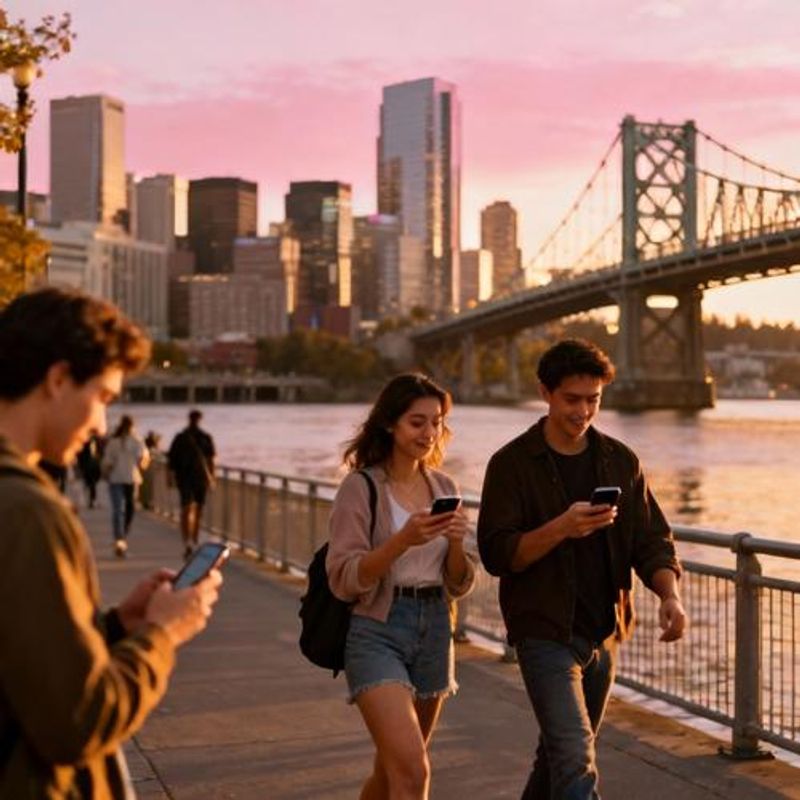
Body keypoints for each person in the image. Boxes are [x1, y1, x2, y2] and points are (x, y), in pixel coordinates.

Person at [0, 287, 222, 799]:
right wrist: (164, 633)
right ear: (57, 380)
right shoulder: (27, 511)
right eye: (101, 397)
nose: (101, 422)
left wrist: (118, 625)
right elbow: (77, 723)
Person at [477, 339, 687, 800]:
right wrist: (561, 528)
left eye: (593, 399)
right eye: (572, 399)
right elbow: (497, 554)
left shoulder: (620, 460)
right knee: (576, 762)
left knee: (556, 760)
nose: (583, 410)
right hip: (544, 633)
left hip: (603, 634)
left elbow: (651, 541)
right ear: (545, 393)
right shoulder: (511, 465)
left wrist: (669, 595)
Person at [326, 373, 477, 800]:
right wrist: (402, 541)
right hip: (376, 630)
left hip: (434, 628)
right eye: (417, 422)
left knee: (393, 771)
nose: (429, 433)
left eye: (437, 422)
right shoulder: (361, 488)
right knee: (413, 772)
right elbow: (344, 577)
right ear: (391, 424)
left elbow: (459, 583)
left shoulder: (445, 487)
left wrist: (453, 543)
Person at [168, 409, 216, 559]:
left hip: (184, 478)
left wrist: (169, 478)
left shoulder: (180, 437)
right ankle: (193, 540)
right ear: (200, 419)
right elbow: (211, 460)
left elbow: (171, 461)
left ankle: (188, 541)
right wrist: (212, 478)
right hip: (199, 479)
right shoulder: (205, 437)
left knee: (186, 509)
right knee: (198, 510)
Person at [102, 414, 150, 557]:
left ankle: (121, 536)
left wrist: (142, 463)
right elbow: (108, 461)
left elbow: (144, 459)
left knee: (128, 509)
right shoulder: (116, 442)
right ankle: (120, 539)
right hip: (120, 479)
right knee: (120, 510)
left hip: (129, 479)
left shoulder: (136, 441)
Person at [76, 429, 104, 508]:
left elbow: (79, 454)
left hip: (91, 465)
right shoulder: (95, 440)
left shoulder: (85, 440)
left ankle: (91, 499)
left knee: (91, 483)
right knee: (92, 483)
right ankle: (91, 500)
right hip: (91, 465)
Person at [139, 430, 161, 510]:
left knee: (145, 487)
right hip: (148, 470)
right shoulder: (151, 451)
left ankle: (145, 502)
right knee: (149, 488)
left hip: (145, 470)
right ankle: (147, 502)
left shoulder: (145, 450)